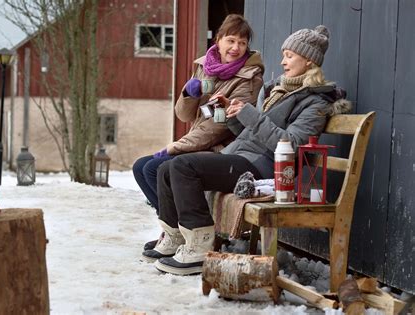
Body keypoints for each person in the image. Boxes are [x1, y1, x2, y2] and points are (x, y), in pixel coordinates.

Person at [142, 25, 352, 275]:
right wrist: (232, 113)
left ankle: (199, 248)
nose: (283, 61)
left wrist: (249, 114)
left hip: (261, 168)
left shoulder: (316, 102)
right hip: (241, 156)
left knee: (181, 166)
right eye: (284, 54)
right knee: (166, 168)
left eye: (289, 56)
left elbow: (290, 145)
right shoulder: (280, 90)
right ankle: (176, 237)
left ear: (308, 61)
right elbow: (253, 132)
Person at [133, 14, 264, 251]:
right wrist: (188, 95)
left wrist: (175, 147)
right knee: (140, 167)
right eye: (231, 41)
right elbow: (183, 115)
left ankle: (182, 231)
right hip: (197, 144)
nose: (236, 48)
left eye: (242, 43)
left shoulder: (249, 77)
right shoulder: (205, 67)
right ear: (219, 39)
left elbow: (217, 128)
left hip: (221, 149)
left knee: (154, 168)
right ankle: (173, 230)